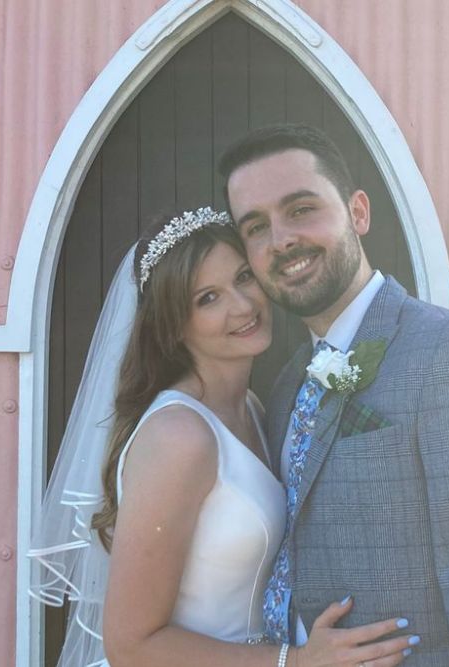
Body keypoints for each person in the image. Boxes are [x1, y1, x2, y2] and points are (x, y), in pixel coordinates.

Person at [219, 124, 449, 666]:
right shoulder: (286, 385)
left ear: (358, 213)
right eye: (256, 227)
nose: (281, 240)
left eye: (301, 209)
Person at [29, 207, 416, 667]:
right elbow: (131, 645)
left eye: (244, 278)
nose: (242, 306)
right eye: (208, 298)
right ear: (174, 324)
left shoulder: (252, 408)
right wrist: (293, 662)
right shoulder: (179, 437)